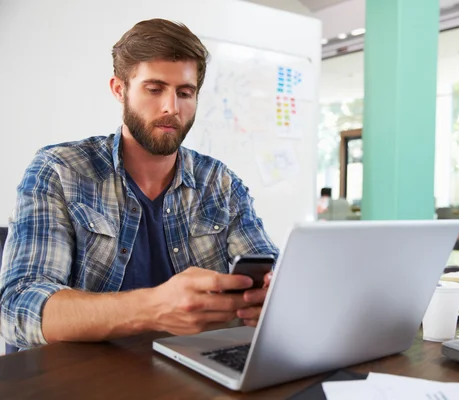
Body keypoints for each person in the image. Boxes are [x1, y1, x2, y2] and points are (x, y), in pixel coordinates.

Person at [0, 19, 279, 351]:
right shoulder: (59, 170)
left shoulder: (220, 183)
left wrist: (271, 294)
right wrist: (153, 308)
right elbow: (17, 308)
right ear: (120, 89)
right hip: (85, 376)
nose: (171, 108)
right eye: (154, 89)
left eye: (185, 93)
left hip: (193, 369)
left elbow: (267, 271)